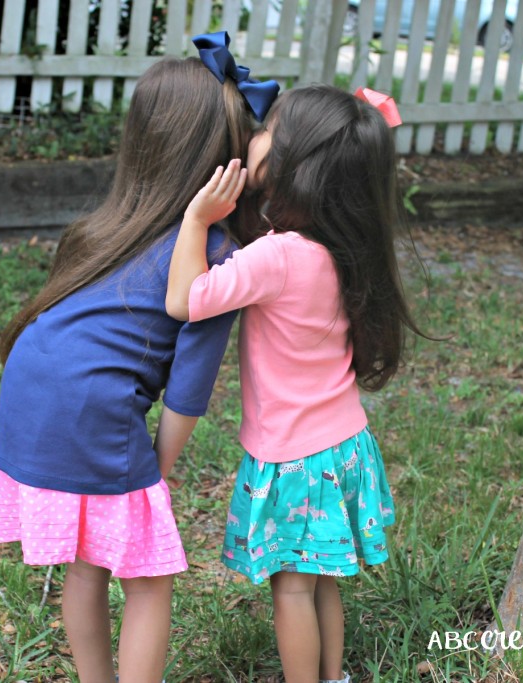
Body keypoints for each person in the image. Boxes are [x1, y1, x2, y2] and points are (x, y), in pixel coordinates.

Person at [0, 44, 278, 683]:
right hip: (92, 408)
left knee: (86, 565)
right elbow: (188, 392)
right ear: (224, 165)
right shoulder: (218, 253)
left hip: (31, 392)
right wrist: (155, 478)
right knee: (147, 578)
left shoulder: (111, 225)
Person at [166, 84, 425, 683]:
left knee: (290, 590)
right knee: (321, 578)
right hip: (342, 445)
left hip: (295, 459)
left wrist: (195, 218)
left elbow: (185, 299)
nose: (255, 137)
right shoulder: (341, 247)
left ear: (294, 164)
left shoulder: (277, 258)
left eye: (267, 131)